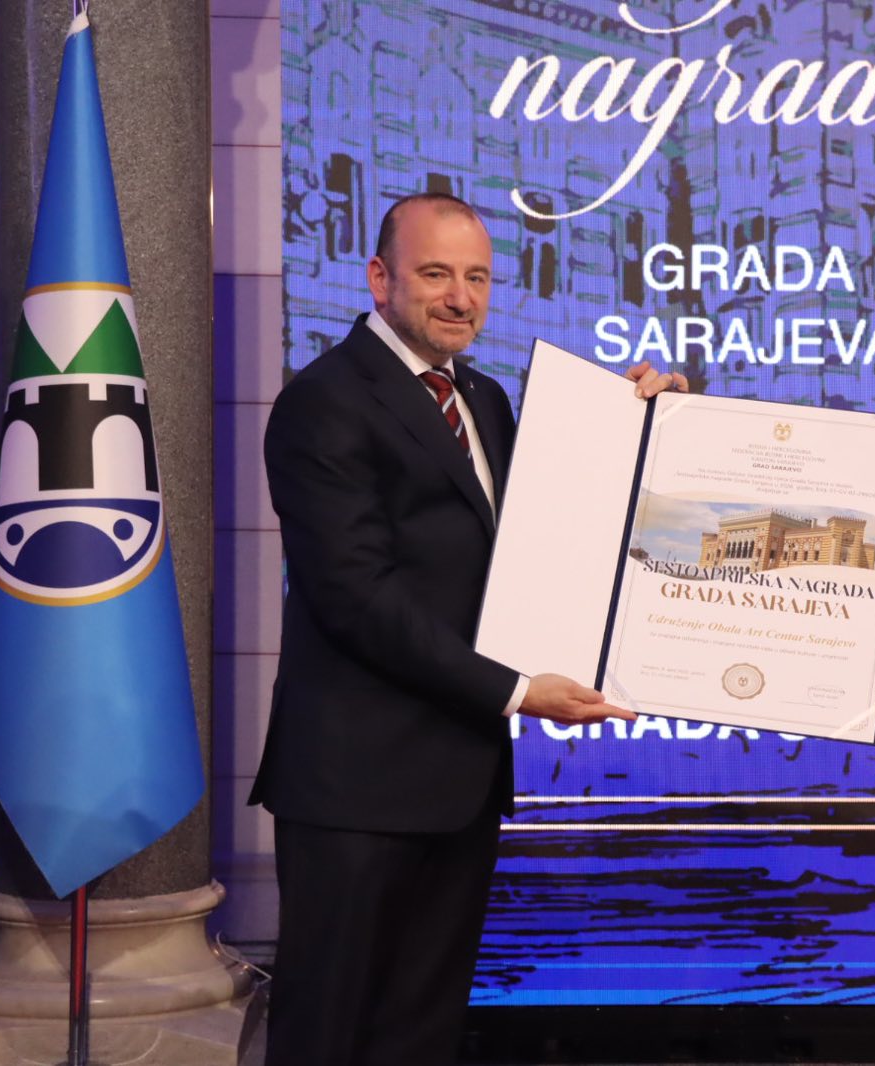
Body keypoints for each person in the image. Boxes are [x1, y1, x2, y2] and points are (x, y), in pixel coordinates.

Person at [252, 192, 682, 1066]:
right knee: (326, 1033)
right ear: (379, 278)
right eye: (436, 274)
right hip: (354, 789)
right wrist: (518, 691)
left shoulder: (483, 398)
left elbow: (545, 537)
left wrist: (649, 426)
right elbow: (356, 597)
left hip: (459, 781)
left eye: (477, 277)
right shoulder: (323, 402)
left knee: (421, 1034)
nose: (460, 297)